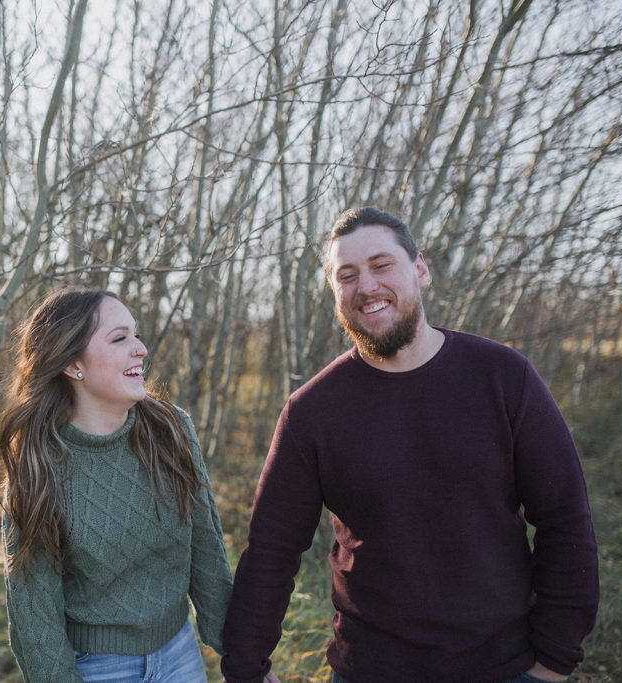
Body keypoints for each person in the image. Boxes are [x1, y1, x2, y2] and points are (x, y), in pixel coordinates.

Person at [221, 207, 599, 683]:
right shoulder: (312, 411)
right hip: (369, 671)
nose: (367, 286)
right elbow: (272, 551)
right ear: (335, 292)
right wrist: (246, 668)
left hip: (506, 667)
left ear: (420, 269)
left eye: (382, 265)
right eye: (347, 275)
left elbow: (565, 519)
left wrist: (554, 660)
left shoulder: (503, 377)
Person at [0, 287, 233, 682]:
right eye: (120, 338)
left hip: (179, 654)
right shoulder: (37, 467)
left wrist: (243, 656)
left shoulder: (170, 429)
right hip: (97, 667)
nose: (141, 349)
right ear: (73, 364)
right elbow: (34, 612)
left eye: (136, 335)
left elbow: (207, 549)